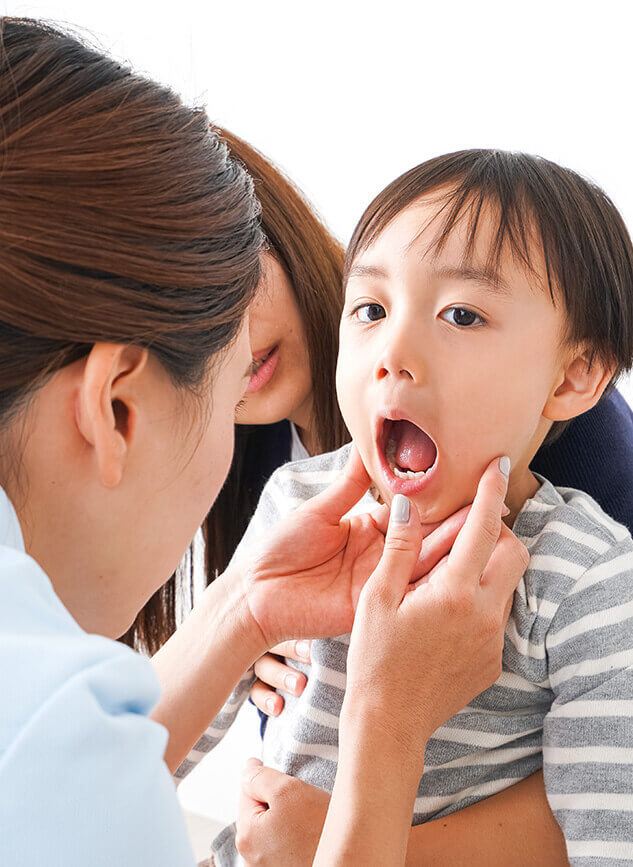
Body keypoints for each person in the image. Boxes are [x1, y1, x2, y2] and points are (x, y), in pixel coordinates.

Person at [0, 19, 528, 867]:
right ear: (116, 408)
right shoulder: (51, 742)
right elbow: (74, 767)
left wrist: (247, 608)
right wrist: (383, 724)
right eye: (224, 375)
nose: (398, 356)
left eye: (461, 314)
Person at [177, 134, 633, 861]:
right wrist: (239, 620)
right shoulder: (294, 496)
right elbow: (131, 751)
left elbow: (605, 839)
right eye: (369, 308)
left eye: (460, 315)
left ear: (572, 376)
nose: (392, 348)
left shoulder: (585, 575)